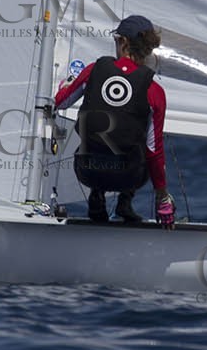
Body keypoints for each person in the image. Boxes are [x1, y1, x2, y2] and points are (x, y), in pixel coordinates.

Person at [54, 14, 176, 226]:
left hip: (87, 170)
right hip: (130, 176)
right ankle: (125, 202)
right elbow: (154, 150)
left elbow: (60, 103)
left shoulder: (94, 70)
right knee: (132, 138)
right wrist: (162, 198)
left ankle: (97, 197)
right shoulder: (154, 91)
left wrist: (64, 86)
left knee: (101, 134)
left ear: (124, 42)